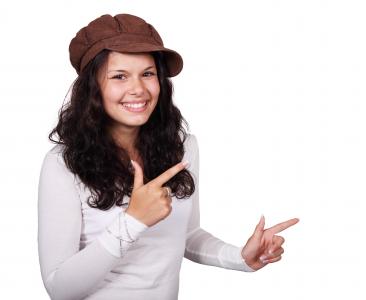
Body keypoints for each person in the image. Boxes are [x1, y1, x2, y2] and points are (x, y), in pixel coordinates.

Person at [37, 13, 299, 300]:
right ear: (93, 88)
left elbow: (185, 235)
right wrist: (133, 221)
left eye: (147, 74)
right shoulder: (63, 164)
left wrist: (240, 257)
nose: (138, 89)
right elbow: (59, 288)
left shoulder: (183, 148)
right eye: (119, 76)